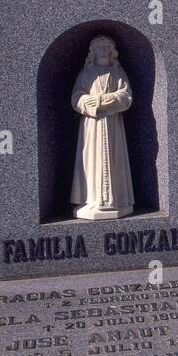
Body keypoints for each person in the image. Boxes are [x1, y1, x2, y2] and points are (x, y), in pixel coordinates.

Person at [71, 34, 135, 219]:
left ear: (111, 51)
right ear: (93, 51)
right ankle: (91, 200)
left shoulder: (117, 72)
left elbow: (126, 96)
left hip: (114, 123)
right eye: (99, 47)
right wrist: (93, 104)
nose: (103, 50)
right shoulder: (86, 73)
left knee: (115, 161)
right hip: (92, 126)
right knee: (91, 160)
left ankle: (117, 200)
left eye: (106, 47)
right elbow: (76, 98)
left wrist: (103, 100)